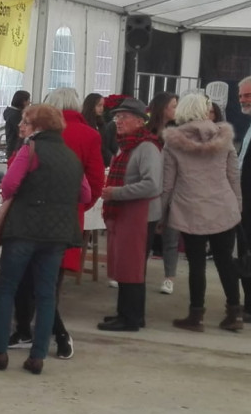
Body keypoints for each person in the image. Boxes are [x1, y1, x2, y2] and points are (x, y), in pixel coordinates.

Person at [0, 104, 89, 375]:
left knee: (7, 289)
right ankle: (37, 357)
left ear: (38, 127)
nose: (21, 126)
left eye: (25, 122)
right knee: (47, 293)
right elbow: (84, 195)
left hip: (24, 229)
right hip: (57, 234)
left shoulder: (30, 150)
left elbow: (9, 186)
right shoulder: (71, 157)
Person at [11, 88, 105, 359]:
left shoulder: (37, 133)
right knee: (50, 283)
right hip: (65, 219)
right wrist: (76, 208)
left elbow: (16, 172)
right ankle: (44, 334)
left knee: (24, 278)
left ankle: (39, 332)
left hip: (29, 216)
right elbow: (96, 182)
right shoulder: (90, 135)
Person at [160, 94, 242, 332]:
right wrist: (237, 206)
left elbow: (168, 184)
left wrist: (162, 215)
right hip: (223, 207)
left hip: (190, 209)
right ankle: (234, 313)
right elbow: (233, 175)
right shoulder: (224, 137)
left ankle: (196, 316)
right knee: (225, 260)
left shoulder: (173, 142)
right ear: (206, 110)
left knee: (196, 263)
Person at [97, 97, 163, 332]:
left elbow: (153, 185)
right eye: (117, 117)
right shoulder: (127, 146)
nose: (118, 122)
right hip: (128, 213)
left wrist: (117, 192)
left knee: (133, 267)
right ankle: (124, 313)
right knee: (125, 264)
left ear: (139, 121)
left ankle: (132, 318)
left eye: (123, 117)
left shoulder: (146, 147)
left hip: (140, 215)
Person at [147, 92, 179, 295]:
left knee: (171, 237)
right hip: (149, 187)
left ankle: (169, 278)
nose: (176, 110)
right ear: (162, 108)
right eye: (173, 106)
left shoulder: (178, 132)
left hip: (173, 189)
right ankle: (133, 274)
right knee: (143, 236)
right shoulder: (147, 131)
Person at [235, 76, 251, 321]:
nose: (243, 100)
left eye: (247, 95)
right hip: (243, 201)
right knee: (245, 254)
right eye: (240, 96)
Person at [3, 90, 31, 157]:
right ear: (23, 101)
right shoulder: (16, 116)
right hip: (15, 148)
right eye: (28, 100)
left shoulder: (10, 112)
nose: (30, 102)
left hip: (11, 146)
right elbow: (21, 132)